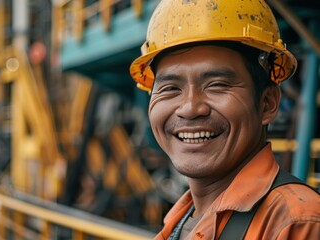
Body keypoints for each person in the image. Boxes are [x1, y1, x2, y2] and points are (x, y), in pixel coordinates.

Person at [129, 0, 320, 239]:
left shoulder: (296, 222)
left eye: (217, 85)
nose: (190, 108)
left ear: (267, 104)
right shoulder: (180, 219)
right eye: (170, 88)